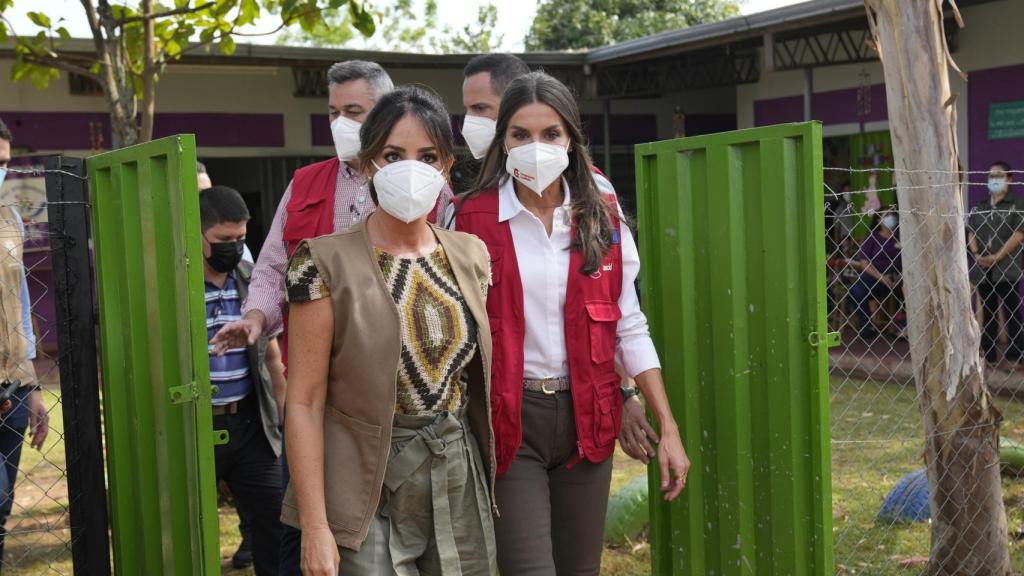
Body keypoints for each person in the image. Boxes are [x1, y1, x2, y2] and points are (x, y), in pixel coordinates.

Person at [452, 72, 688, 576]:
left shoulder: (602, 216)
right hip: (508, 424)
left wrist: (664, 423)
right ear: (503, 141)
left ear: (572, 141)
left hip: (588, 419)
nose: (535, 147)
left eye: (550, 134)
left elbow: (628, 323)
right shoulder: (469, 219)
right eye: (520, 134)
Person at [282, 85, 496, 575]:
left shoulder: (470, 254)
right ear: (367, 163)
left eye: (427, 156)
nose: (410, 168)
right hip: (363, 477)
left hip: (455, 469)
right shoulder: (320, 262)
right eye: (393, 154)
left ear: (446, 167)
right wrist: (315, 526)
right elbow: (304, 401)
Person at [458, 56, 657, 464]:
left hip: (583, 408)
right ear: (505, 135)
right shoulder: (466, 209)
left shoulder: (595, 198)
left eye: (480, 109)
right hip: (506, 415)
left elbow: (614, 311)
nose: (469, 123)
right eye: (468, 110)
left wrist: (625, 393)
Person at [196, 160, 279, 570]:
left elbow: (273, 357)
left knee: (274, 523)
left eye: (240, 237)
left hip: (250, 425)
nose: (233, 245)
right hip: (193, 426)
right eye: (222, 238)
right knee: (188, 530)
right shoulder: (176, 285)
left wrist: (281, 425)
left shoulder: (252, 281)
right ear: (197, 236)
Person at [0, 118, 50, 568]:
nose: (1, 173)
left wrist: (31, 386)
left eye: (4, 164)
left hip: (11, 387)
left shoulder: (9, 219)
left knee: (2, 506)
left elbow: (21, 304)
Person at [968, 161, 1024, 365]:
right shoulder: (981, 206)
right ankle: (989, 355)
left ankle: (1016, 354)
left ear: (1009, 178)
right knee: (989, 313)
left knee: (1012, 312)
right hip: (983, 269)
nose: (994, 179)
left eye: (999, 175)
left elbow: (1019, 234)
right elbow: (971, 230)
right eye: (991, 175)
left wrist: (998, 256)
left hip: (1006, 269)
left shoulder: (1016, 205)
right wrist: (976, 254)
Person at [847, 210, 903, 341]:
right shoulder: (873, 237)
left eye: (892, 215)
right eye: (886, 216)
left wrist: (899, 276)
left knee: (905, 290)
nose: (891, 218)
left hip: (898, 276)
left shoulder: (901, 236)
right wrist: (881, 277)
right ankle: (866, 326)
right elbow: (864, 262)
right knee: (855, 291)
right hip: (875, 276)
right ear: (879, 221)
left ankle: (903, 327)